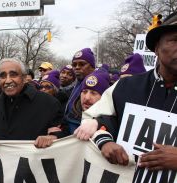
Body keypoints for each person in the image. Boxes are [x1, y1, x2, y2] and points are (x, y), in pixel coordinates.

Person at [76, 14, 177, 170]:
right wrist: (104, 141)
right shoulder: (126, 86)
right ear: (157, 48)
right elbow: (93, 119)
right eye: (175, 40)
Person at [0, 58, 66, 148]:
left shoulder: (49, 103)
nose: (7, 80)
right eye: (3, 76)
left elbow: (65, 134)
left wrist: (53, 137)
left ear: (25, 78)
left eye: (13, 75)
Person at [62, 48, 96, 134]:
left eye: (82, 64)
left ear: (92, 67)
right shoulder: (77, 84)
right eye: (74, 64)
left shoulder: (97, 85)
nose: (77, 67)